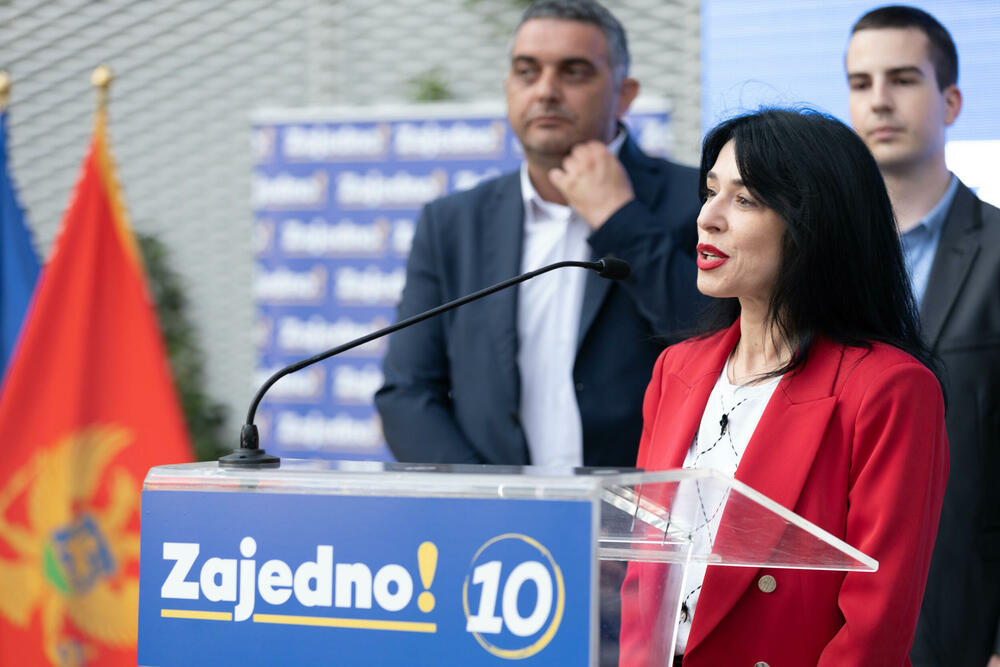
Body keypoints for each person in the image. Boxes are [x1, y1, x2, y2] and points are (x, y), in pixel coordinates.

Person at [619, 109, 949, 665]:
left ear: (812, 226)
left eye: (745, 200)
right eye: (710, 192)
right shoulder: (676, 369)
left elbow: (874, 625)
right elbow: (643, 574)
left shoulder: (888, 389)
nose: (707, 219)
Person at [375, 0, 702, 467]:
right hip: (496, 509)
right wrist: (489, 499)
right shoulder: (453, 223)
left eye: (574, 72)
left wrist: (620, 219)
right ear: (508, 87)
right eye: (527, 72)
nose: (546, 91)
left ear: (624, 94)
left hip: (647, 506)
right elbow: (407, 395)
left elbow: (721, 349)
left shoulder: (699, 202)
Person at [845, 7, 1000, 665]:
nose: (879, 99)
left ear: (952, 101)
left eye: (903, 79)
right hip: (832, 623)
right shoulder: (818, 264)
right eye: (860, 83)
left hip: (961, 622)